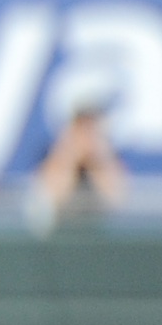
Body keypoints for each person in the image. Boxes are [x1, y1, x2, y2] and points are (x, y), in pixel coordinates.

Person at [33, 89, 132, 228]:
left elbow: (117, 200)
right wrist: (70, 157)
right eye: (81, 125)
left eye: (91, 126)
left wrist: (97, 161)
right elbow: (53, 198)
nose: (86, 134)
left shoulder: (109, 157)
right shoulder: (53, 155)